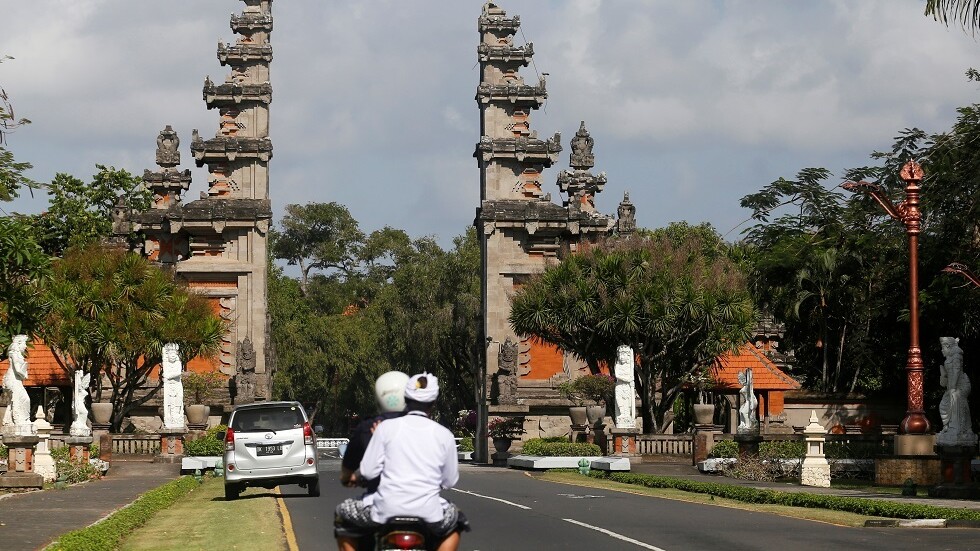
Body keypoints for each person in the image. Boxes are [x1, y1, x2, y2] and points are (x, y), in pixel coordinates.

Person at [335, 372, 464, 551]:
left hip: (385, 510)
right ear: (433, 404)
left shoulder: (384, 428)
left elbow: (368, 471)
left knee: (343, 513)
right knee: (457, 522)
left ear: (406, 398)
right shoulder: (444, 435)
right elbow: (449, 481)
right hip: (429, 512)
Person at [339, 371, 409, 490]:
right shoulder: (424, 426)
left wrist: (350, 478)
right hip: (424, 502)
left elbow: (347, 473)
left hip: (380, 500)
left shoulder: (367, 428)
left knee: (342, 509)